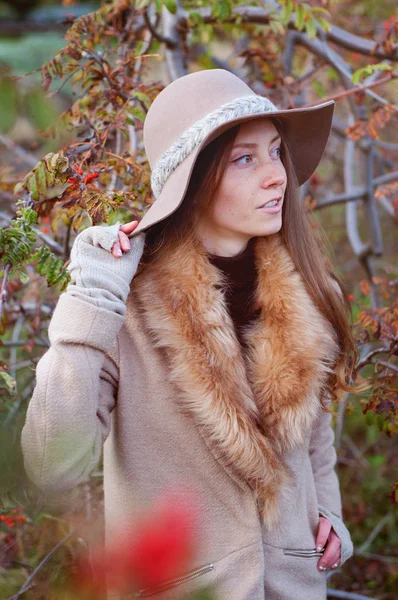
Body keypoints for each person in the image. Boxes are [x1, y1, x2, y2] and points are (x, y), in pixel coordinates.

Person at [21, 69, 364, 600]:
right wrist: (90, 299)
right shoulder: (123, 307)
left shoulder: (310, 292)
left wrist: (328, 515)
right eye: (245, 159)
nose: (276, 175)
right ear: (194, 179)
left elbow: (311, 436)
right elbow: (53, 466)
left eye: (275, 151)